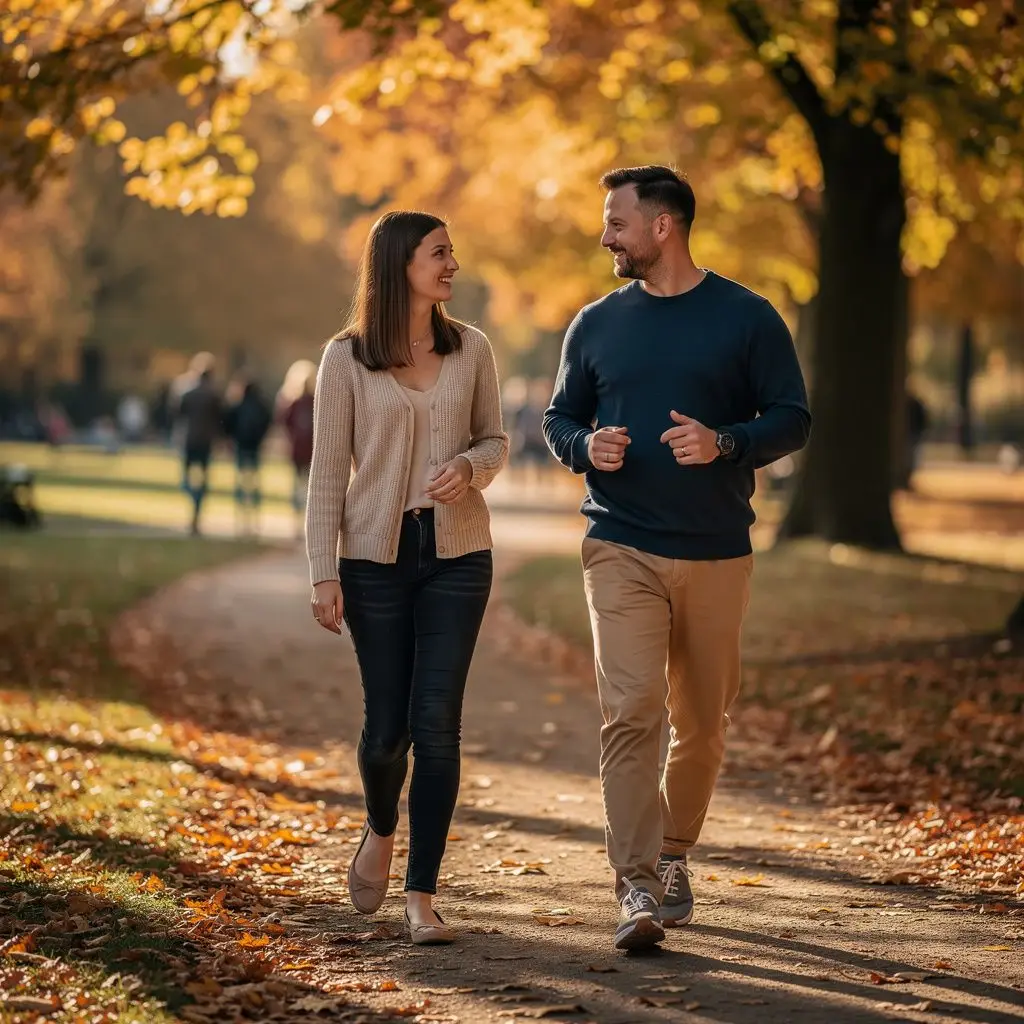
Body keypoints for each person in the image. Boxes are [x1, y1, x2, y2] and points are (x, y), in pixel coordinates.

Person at [544, 165, 811, 951]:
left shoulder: (747, 318)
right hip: (619, 543)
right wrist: (585, 446)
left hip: (717, 552)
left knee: (702, 724)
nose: (605, 237)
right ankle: (633, 884)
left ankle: (671, 855)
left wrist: (727, 443)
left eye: (616, 223)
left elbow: (792, 418)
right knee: (632, 711)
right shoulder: (594, 324)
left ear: (663, 227)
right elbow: (561, 419)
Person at [306, 211, 508, 945]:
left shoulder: (471, 348)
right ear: (399, 265)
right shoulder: (345, 358)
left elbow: (496, 437)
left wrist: (470, 467)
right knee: (388, 729)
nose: (452, 264)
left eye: (451, 252)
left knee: (439, 727)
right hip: (373, 562)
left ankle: (422, 896)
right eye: (439, 253)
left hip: (458, 554)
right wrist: (323, 572)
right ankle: (380, 827)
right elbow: (328, 473)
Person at [173, 352, 222, 535]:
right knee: (202, 481)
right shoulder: (213, 394)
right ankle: (196, 508)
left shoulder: (187, 392)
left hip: (189, 440)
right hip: (206, 442)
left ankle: (193, 504)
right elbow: (220, 420)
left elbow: (177, 415)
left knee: (186, 480)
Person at [223, 375, 273, 536]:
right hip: (255, 447)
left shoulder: (238, 405)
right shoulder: (261, 405)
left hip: (241, 446)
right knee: (254, 482)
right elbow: (268, 422)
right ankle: (254, 516)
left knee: (240, 481)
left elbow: (227, 424)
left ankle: (241, 517)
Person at [276, 359, 317, 538]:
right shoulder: (317, 401)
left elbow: (284, 424)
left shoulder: (292, 402)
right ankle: (306, 522)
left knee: (297, 486)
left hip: (298, 450)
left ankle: (297, 523)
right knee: (310, 488)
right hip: (312, 451)